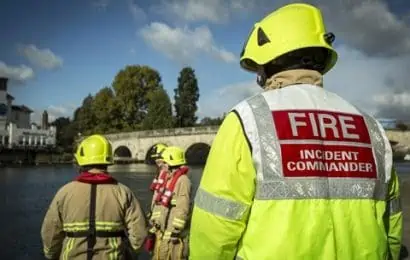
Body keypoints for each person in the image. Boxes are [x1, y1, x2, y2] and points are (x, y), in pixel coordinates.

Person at [189, 3, 403, 260]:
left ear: (269, 64)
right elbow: (392, 226)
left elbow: (215, 227)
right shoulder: (372, 128)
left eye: (258, 69)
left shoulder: (247, 120)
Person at [41, 134, 147, 260]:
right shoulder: (123, 192)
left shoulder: (64, 193)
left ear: (81, 162)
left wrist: (52, 254)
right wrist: (130, 254)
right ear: (108, 161)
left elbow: (50, 232)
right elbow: (139, 233)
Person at [147, 146, 191, 260]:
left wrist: (176, 230)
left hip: (172, 234)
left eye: (165, 162)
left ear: (171, 164)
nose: (162, 165)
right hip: (163, 231)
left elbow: (182, 206)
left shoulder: (183, 181)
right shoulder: (169, 179)